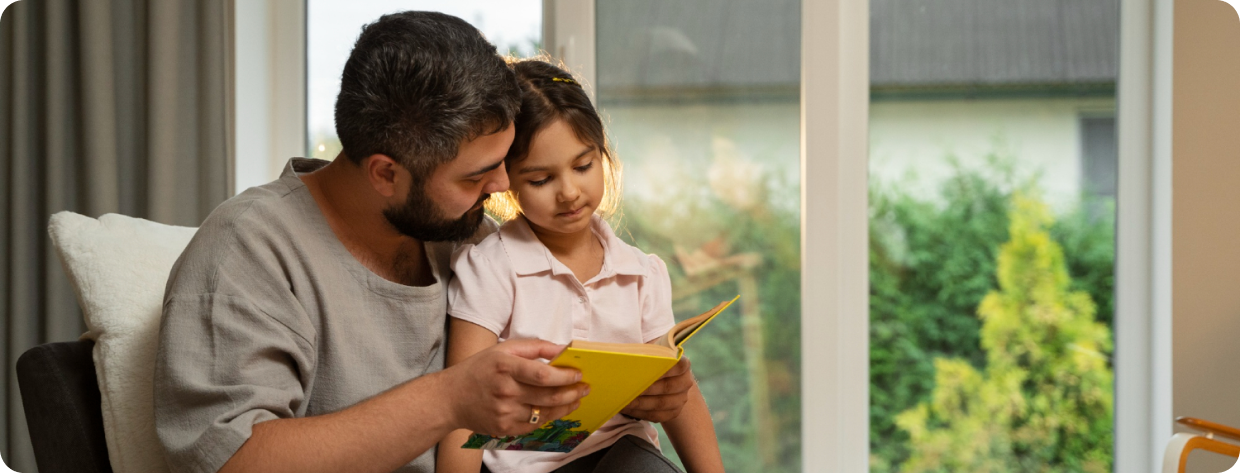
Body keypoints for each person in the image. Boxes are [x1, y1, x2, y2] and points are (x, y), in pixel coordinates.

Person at [154, 12, 693, 473]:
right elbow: (230, 460)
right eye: (475, 175)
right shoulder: (248, 250)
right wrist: (451, 398)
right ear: (386, 173)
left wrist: (638, 392)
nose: (502, 187)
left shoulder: (471, 237)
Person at [435, 59, 725, 473]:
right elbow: (459, 409)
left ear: (601, 154)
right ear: (507, 180)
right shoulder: (491, 268)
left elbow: (678, 395)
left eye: (583, 166)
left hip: (619, 457)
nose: (569, 192)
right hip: (519, 465)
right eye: (540, 180)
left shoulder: (640, 273)